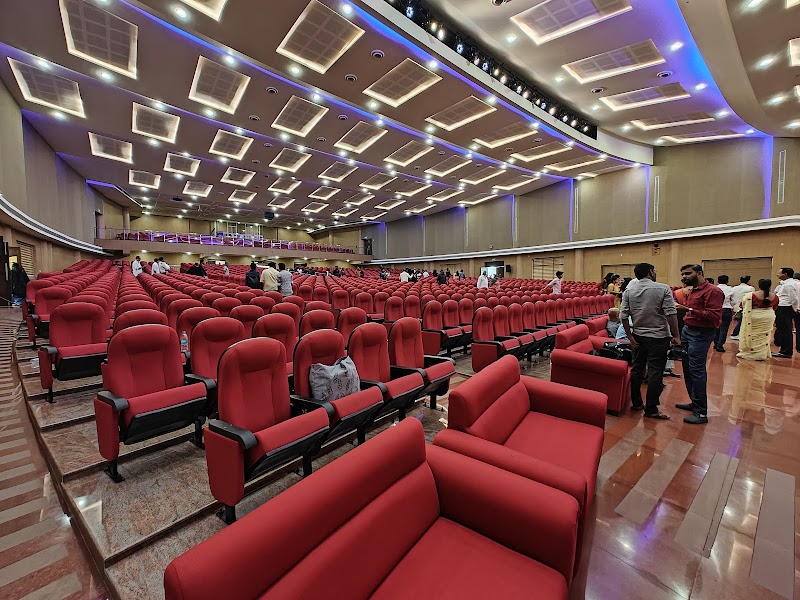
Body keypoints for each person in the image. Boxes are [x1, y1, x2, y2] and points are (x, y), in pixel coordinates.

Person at [621, 263, 681, 419]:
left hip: (638, 336)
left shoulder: (629, 291)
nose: (655, 273)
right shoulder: (663, 288)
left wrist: (630, 336)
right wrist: (676, 335)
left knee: (637, 369)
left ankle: (636, 403)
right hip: (658, 337)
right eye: (654, 271)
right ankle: (651, 409)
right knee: (655, 372)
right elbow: (671, 313)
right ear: (650, 272)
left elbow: (623, 316)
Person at [674, 264, 724, 425]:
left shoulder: (713, 291)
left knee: (696, 370)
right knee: (687, 369)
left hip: (701, 333)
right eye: (683, 274)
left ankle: (701, 412)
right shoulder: (692, 290)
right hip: (688, 330)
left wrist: (687, 309)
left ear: (700, 273)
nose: (684, 277)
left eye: (688, 273)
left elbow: (713, 316)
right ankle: (694, 402)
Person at [737, 279, 778, 361]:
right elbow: (775, 307)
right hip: (769, 316)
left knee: (752, 334)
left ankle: (751, 351)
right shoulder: (775, 296)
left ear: (759, 285)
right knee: (764, 335)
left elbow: (742, 305)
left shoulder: (750, 295)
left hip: (754, 316)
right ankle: (761, 353)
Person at [772, 267, 798, 358]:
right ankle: (783, 350)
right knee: (782, 329)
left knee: (785, 330)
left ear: (785, 274)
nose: (777, 274)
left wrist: (795, 309)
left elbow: (793, 299)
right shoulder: (786, 283)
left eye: (779, 273)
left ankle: (786, 351)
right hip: (782, 308)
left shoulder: (789, 285)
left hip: (785, 308)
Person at [714, 275, 734, 352]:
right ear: (727, 281)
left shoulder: (714, 288)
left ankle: (716, 343)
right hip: (726, 309)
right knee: (724, 328)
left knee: (716, 327)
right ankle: (720, 345)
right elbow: (733, 300)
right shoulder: (730, 289)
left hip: (716, 309)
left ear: (718, 281)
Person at [730, 276, 754, 340]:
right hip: (745, 306)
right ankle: (736, 333)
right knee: (742, 321)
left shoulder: (734, 288)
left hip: (735, 306)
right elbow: (751, 298)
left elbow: (731, 297)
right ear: (748, 281)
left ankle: (737, 333)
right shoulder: (750, 288)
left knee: (740, 320)